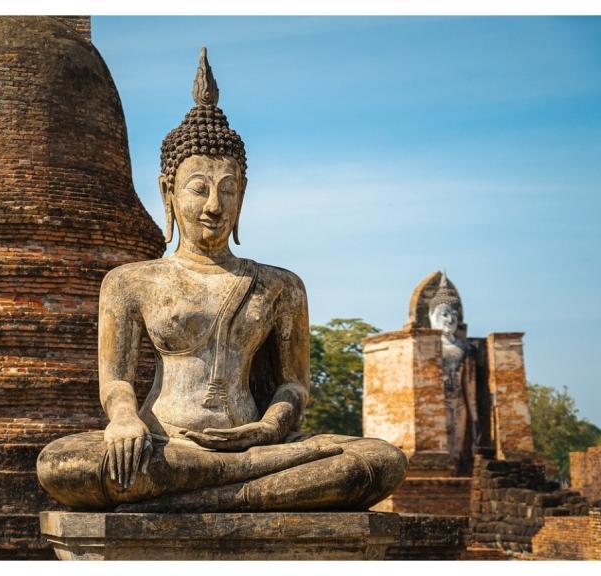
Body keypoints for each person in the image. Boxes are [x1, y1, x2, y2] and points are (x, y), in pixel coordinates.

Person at [37, 48, 406, 512]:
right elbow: (115, 383)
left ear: (242, 195)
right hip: (164, 443)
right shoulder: (131, 282)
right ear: (168, 192)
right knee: (64, 464)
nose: (214, 205)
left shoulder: (280, 286)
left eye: (227, 189)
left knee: (378, 461)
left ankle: (212, 487)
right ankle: (248, 488)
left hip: (257, 445)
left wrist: (270, 428)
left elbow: (293, 385)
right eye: (198, 189)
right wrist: (125, 421)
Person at [427, 273, 479, 474]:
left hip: (459, 403)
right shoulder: (427, 346)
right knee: (440, 442)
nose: (450, 319)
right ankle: (442, 473)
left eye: (453, 315)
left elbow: (470, 385)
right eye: (444, 314)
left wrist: (475, 418)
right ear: (432, 317)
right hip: (436, 403)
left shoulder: (465, 349)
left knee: (457, 447)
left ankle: (457, 474)